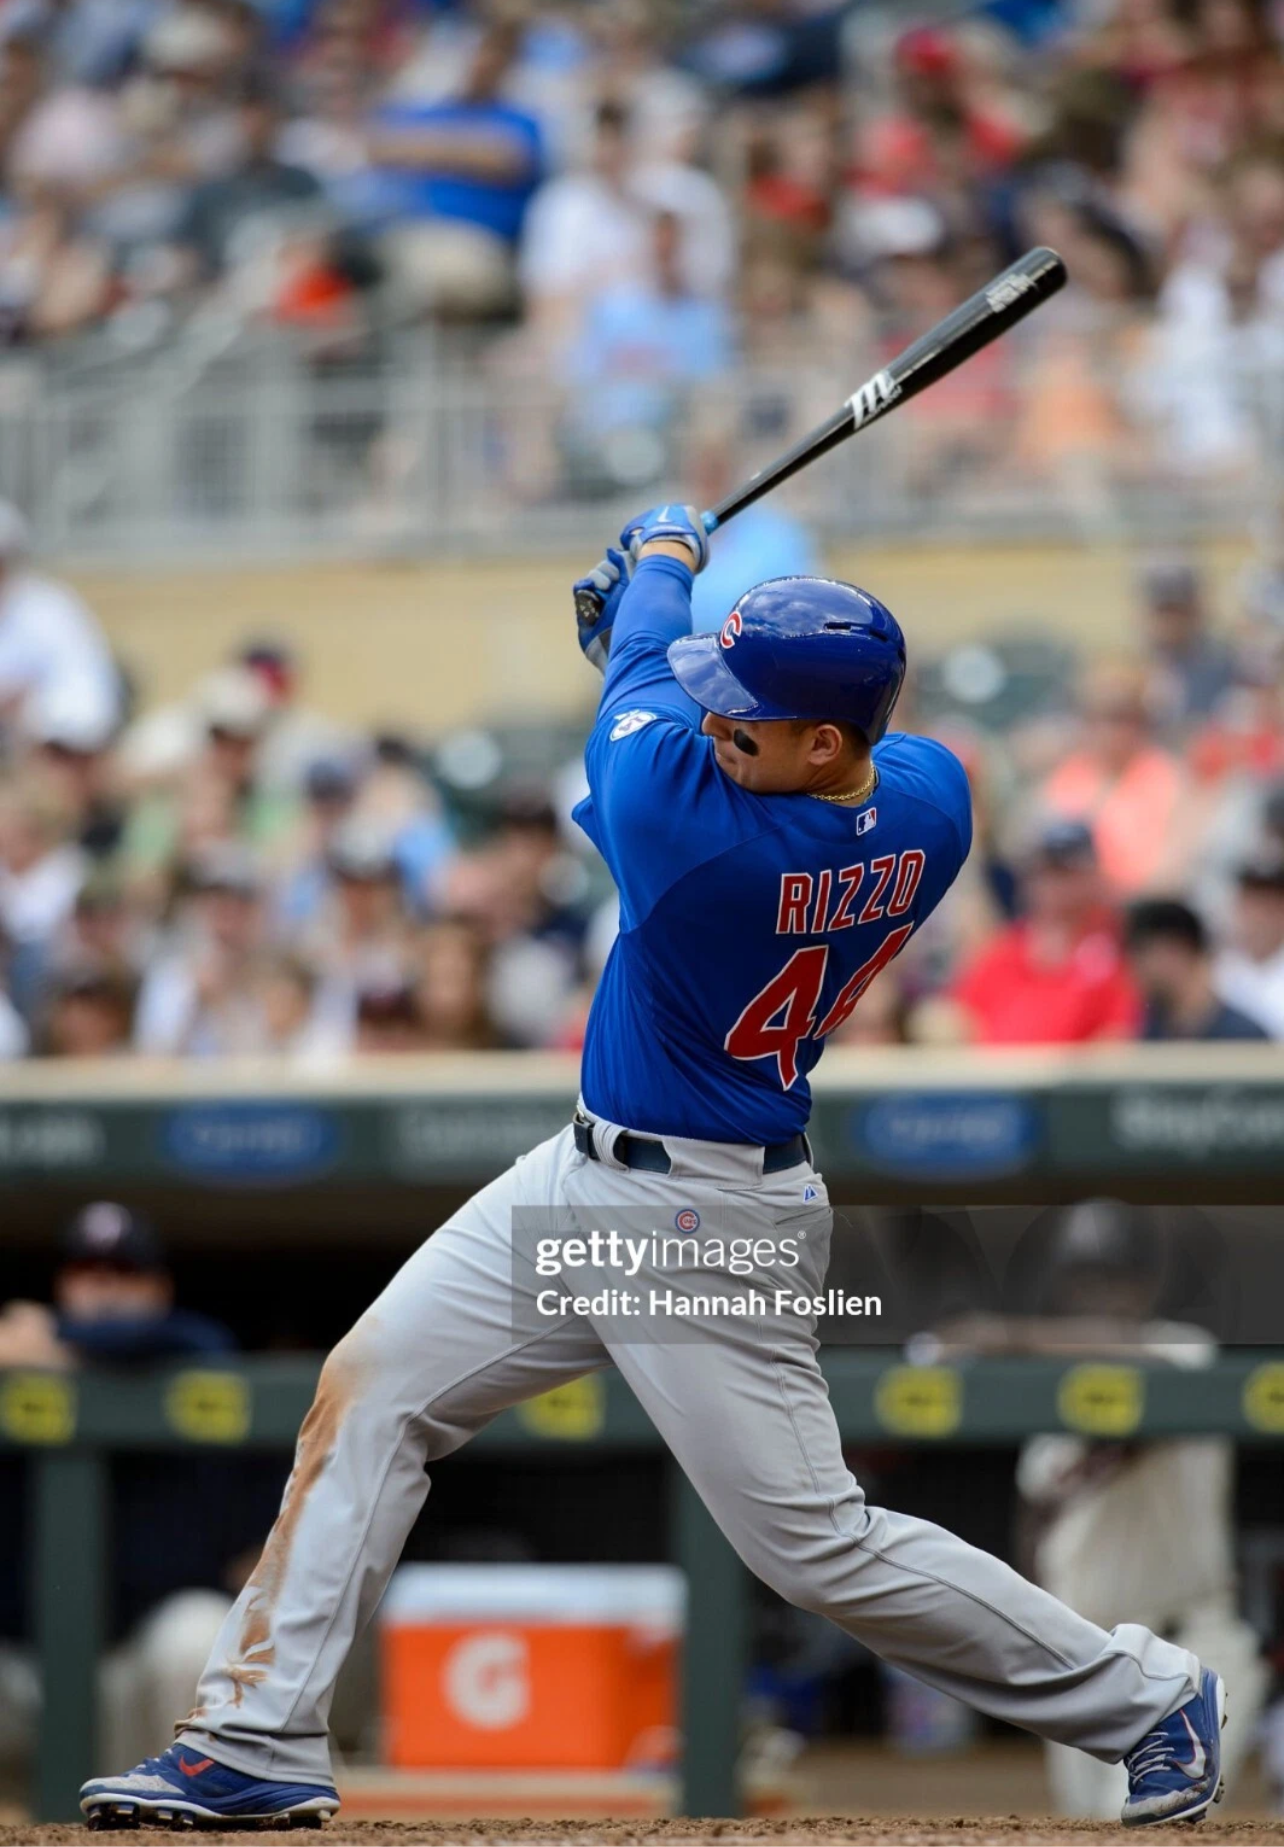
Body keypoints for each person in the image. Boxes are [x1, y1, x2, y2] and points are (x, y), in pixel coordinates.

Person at [83, 507, 1225, 1829]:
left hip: (699, 1216)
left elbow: (641, 687)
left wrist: (661, 562)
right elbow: (675, 699)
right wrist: (657, 635)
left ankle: (1143, 1694)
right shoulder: (933, 795)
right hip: (585, 1177)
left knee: (814, 1545)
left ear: (825, 743)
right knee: (374, 1385)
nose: (722, 731)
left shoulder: (697, 840)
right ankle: (254, 1732)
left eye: (751, 721)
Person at [0, 1204, 266, 1775]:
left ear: (159, 1287)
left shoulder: (185, 1357)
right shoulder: (12, 1369)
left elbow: (202, 1340)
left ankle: (188, 1812)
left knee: (198, 1634)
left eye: (125, 1272)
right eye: (90, 1272)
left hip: (143, 1659)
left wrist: (59, 1343)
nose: (106, 1287)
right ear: (63, 1283)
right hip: (26, 1668)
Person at [949, 820, 1141, 1045]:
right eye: (1043, 872)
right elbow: (959, 1020)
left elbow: (1119, 1035)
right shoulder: (1001, 953)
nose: (1051, 885)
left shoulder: (1117, 950)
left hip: (1076, 1078)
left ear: (1093, 878)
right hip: (996, 1075)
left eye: (1065, 874)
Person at [1124, 897, 1269, 1040]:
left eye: (1144, 953)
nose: (1136, 967)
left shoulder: (1243, 1035)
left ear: (1177, 952)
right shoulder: (1149, 1029)